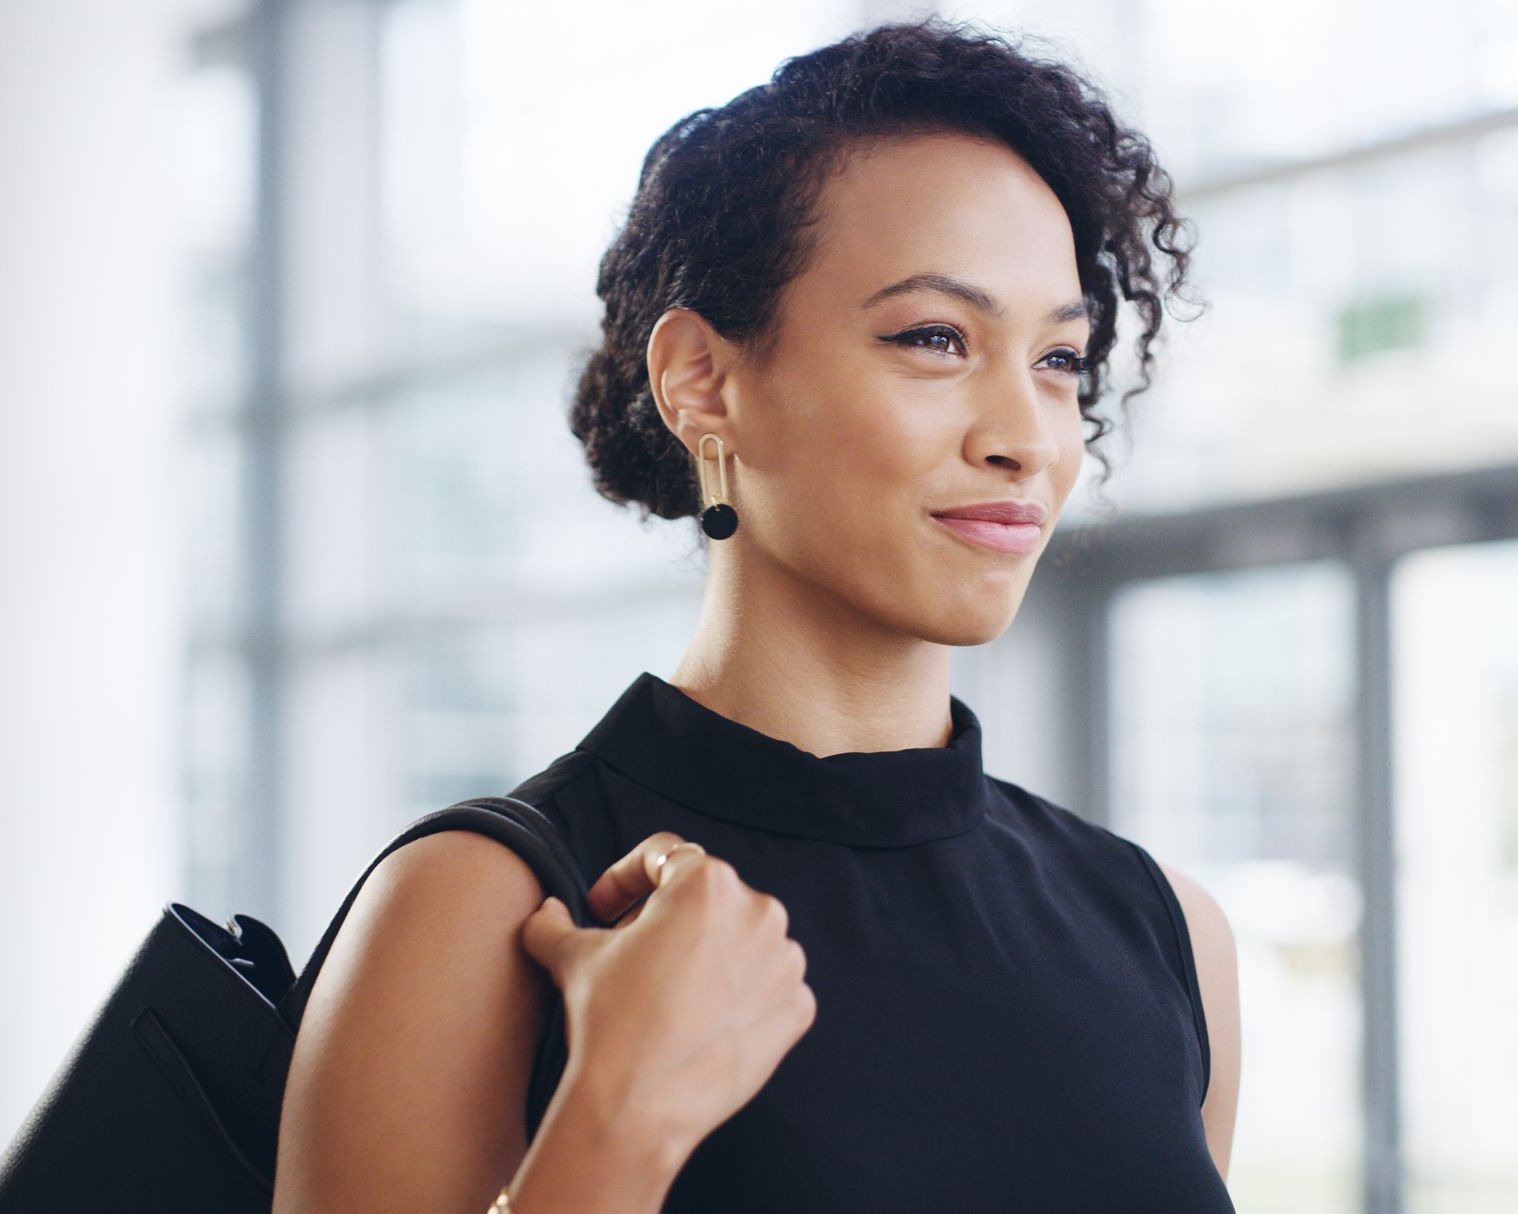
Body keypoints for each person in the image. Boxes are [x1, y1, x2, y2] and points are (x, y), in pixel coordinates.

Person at [272, 14, 1236, 1213]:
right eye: (936, 338)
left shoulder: (1162, 928)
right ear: (704, 381)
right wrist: (615, 1119)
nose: (1028, 437)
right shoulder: (484, 907)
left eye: (1058, 360)